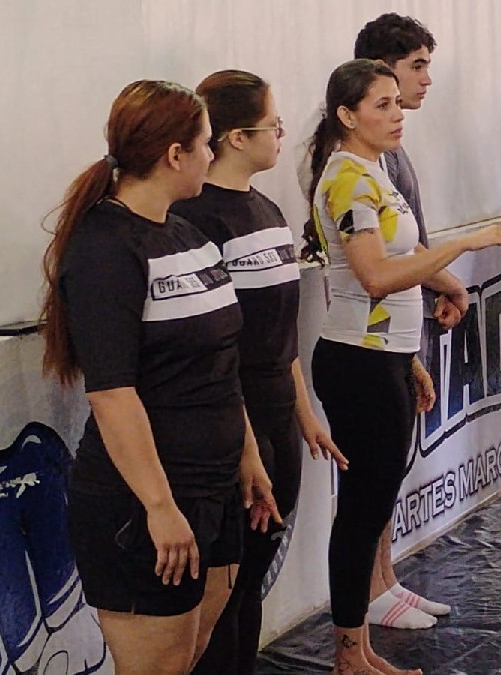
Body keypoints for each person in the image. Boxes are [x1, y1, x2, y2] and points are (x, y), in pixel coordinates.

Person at [40, 80, 280, 675]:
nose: (210, 156)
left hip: (215, 490)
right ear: (175, 154)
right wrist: (159, 505)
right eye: (204, 144)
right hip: (142, 505)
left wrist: (247, 458)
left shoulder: (187, 234)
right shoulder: (104, 248)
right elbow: (112, 393)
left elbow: (221, 366)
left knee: (189, 658)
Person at [305, 59, 501, 675]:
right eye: (382, 104)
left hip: (386, 357)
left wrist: (447, 287)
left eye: (398, 102)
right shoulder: (346, 179)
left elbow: (407, 254)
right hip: (358, 360)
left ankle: (363, 644)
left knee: (374, 505)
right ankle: (350, 653)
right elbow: (375, 276)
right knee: (361, 512)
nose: (398, 113)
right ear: (347, 116)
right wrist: (466, 243)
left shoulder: (373, 171)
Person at [169, 70, 346, 675]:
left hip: (276, 412)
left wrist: (304, 413)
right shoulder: (199, 218)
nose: (282, 135)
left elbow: (281, 335)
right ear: (236, 138)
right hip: (232, 419)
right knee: (226, 582)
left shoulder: (268, 208)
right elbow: (220, 349)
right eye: (273, 125)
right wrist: (247, 445)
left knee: (253, 575)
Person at [350, 12, 465, 632]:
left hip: (395, 331)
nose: (425, 82)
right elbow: (381, 261)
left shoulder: (390, 152)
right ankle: (369, 589)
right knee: (374, 469)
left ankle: (384, 578)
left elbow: (406, 247)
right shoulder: (357, 166)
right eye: (415, 66)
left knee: (389, 465)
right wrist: (444, 274)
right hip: (368, 336)